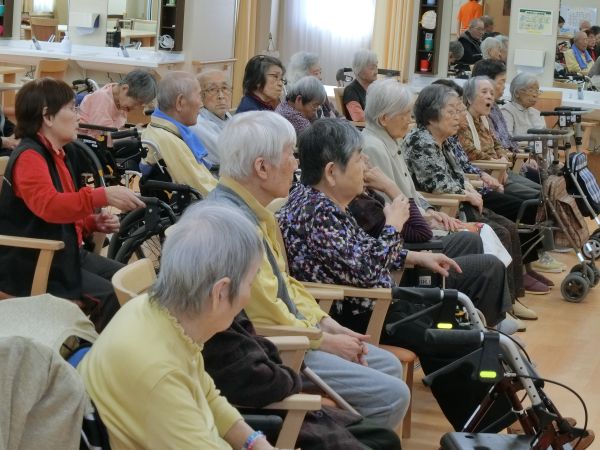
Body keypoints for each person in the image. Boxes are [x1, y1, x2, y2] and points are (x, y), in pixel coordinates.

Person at [208, 110, 409, 429]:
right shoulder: (231, 227)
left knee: (386, 365)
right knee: (393, 394)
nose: (297, 165)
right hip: (278, 348)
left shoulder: (257, 214)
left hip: (296, 332)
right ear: (262, 167)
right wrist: (322, 339)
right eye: (290, 155)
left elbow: (285, 286)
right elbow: (265, 315)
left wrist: (328, 324)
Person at [79, 203, 291, 450]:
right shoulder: (159, 373)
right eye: (250, 281)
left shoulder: (158, 312)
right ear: (220, 292)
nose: (249, 295)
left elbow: (207, 394)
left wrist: (254, 442)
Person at [278, 117, 512, 330]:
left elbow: (361, 252)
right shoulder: (317, 213)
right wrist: (393, 225)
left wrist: (414, 257)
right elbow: (367, 272)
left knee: (481, 274)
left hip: (384, 298)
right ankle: (487, 344)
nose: (365, 165)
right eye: (359, 158)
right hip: (372, 313)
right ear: (331, 172)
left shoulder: (320, 200)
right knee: (481, 281)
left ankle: (489, 339)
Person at [0, 78, 144, 331]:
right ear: (47, 117)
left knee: (134, 282)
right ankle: (98, 363)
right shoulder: (29, 157)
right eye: (72, 108)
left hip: (65, 254)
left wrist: (90, 222)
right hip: (33, 264)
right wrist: (102, 195)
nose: (78, 116)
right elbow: (50, 206)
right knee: (114, 297)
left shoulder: (60, 154)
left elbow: (55, 212)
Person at [202, 312, 402, 450]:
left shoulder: (219, 315)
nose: (247, 295)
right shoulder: (210, 329)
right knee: (392, 399)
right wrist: (292, 373)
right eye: (247, 284)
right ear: (221, 288)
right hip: (270, 408)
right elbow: (256, 379)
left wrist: (330, 325)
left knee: (385, 437)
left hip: (276, 388)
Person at [457, 76, 541, 201]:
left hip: (501, 170)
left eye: (491, 93)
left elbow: (498, 144)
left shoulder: (484, 120)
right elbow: (469, 152)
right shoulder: (463, 122)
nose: (490, 96)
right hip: (485, 176)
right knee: (541, 199)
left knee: (545, 193)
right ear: (469, 97)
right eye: (484, 92)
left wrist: (502, 157)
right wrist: (495, 161)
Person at [141, 71, 217, 197]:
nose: (201, 104)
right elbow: (202, 190)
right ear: (180, 102)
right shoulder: (168, 140)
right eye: (199, 96)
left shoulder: (159, 130)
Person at [78, 69, 157, 137]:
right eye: (137, 103)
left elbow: (116, 128)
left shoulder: (120, 101)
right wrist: (131, 134)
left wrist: (134, 130)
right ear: (125, 89)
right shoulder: (102, 99)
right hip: (86, 144)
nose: (136, 108)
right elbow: (102, 137)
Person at [191, 69, 233, 166]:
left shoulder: (227, 116)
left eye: (225, 88)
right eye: (212, 90)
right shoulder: (196, 124)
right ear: (199, 95)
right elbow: (229, 156)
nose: (221, 96)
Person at [287, 51, 340, 118]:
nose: (320, 77)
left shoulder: (320, 92)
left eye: (320, 72)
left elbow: (336, 114)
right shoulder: (297, 99)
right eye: (316, 73)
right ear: (302, 77)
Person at [342, 49, 378, 122]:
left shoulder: (374, 89)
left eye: (376, 67)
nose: (376, 72)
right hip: (362, 131)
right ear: (358, 70)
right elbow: (359, 118)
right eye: (372, 68)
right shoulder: (351, 91)